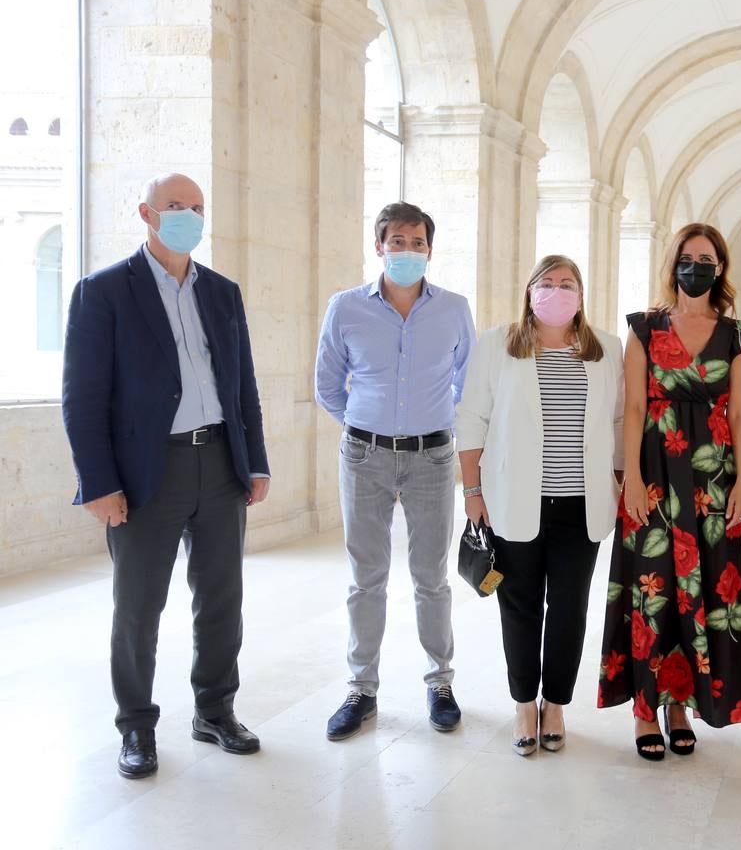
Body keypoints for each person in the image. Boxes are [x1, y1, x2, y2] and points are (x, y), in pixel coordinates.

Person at [62, 173, 271, 779]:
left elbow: (243, 387)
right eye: (175, 207)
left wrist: (253, 460)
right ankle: (136, 727)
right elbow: (82, 398)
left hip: (221, 465)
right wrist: (97, 484)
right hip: (146, 470)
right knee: (139, 605)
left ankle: (215, 711)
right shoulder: (103, 292)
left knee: (221, 598)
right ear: (147, 214)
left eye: (197, 208)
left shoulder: (223, 293)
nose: (188, 216)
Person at [596, 222, 741, 760]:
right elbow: (637, 408)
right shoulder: (644, 328)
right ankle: (646, 709)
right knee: (653, 588)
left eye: (706, 257)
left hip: (713, 478)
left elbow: (740, 412)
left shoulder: (736, 334)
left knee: (705, 589)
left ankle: (679, 705)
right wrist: (634, 480)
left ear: (720, 267)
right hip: (656, 474)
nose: (697, 264)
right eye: (688, 256)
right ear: (674, 264)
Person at [314, 201, 475, 741]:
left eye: (417, 242)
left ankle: (440, 683)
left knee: (431, 577)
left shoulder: (453, 309)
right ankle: (362, 689)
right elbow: (328, 386)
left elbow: (467, 382)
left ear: (430, 249)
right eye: (397, 241)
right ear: (378, 246)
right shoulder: (345, 308)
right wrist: (365, 425)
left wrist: (436, 423)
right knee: (367, 577)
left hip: (433, 459)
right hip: (364, 457)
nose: (408, 250)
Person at [456, 255, 624, 756]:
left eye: (566, 283)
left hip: (582, 504)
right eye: (546, 283)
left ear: (581, 294)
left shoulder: (607, 350)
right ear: (529, 291)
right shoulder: (497, 345)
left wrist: (619, 483)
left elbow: (618, 426)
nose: (556, 291)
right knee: (520, 605)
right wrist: (472, 493)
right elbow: (471, 420)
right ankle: (524, 704)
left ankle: (556, 704)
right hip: (514, 500)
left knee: (570, 609)